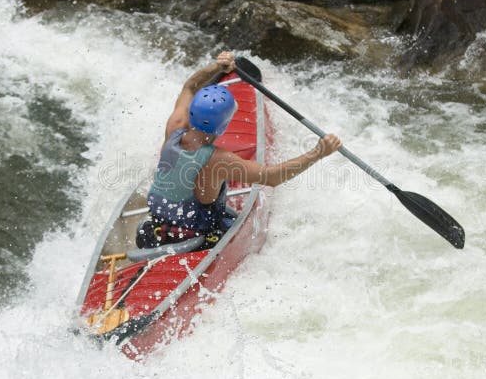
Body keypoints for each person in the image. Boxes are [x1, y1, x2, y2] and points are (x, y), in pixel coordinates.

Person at [139, 51, 341, 247]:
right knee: (224, 221)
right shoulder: (219, 159)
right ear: (223, 125)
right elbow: (272, 177)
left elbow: (189, 88)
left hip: (158, 226)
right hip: (196, 236)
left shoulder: (175, 124)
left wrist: (216, 67)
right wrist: (318, 153)